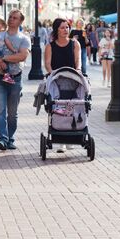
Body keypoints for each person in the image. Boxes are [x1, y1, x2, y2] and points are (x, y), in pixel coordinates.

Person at [0, 9, 31, 151]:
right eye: (10, 17)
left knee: (12, 113)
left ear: (20, 21)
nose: (11, 19)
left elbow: (22, 56)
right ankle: (2, 139)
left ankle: (10, 138)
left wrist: (3, 58)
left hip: (15, 79)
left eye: (15, 18)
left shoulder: (24, 38)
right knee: (0, 110)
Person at [44, 18, 81, 153]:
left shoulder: (75, 44)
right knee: (58, 108)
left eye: (67, 27)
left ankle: (71, 136)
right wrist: (52, 74)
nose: (65, 30)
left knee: (73, 107)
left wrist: (78, 71)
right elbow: (48, 64)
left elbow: (78, 61)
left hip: (73, 79)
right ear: (56, 30)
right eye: (62, 28)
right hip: (57, 80)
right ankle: (61, 141)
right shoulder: (50, 46)